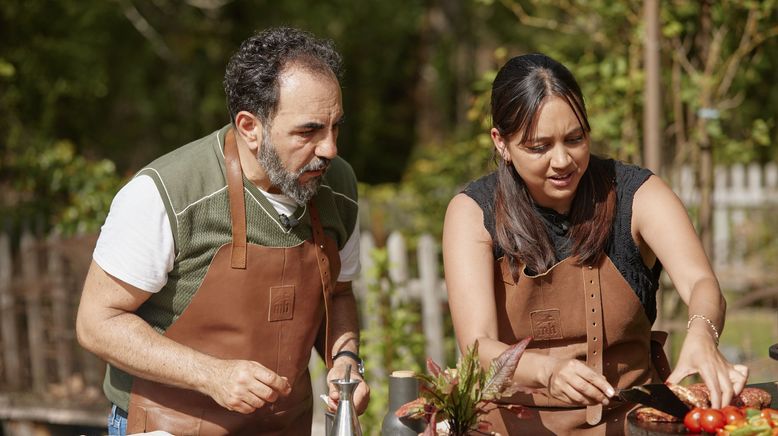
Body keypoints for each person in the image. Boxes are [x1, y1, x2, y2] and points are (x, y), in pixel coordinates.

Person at [76, 26, 369, 436]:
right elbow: (97, 322)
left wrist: (346, 360)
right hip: (164, 427)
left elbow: (337, 292)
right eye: (309, 131)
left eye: (335, 127)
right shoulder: (167, 193)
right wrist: (209, 374)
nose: (329, 149)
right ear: (250, 126)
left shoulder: (338, 186)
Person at [442, 53, 748, 435]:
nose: (562, 160)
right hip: (509, 423)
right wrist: (546, 371)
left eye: (575, 139)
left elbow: (702, 284)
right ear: (501, 143)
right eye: (538, 147)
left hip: (631, 420)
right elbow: (477, 348)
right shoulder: (472, 213)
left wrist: (703, 333)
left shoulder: (638, 194)